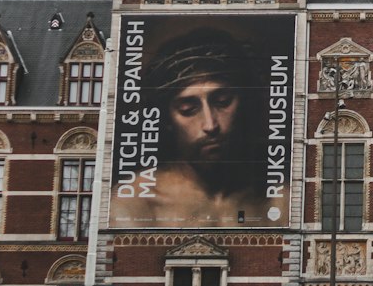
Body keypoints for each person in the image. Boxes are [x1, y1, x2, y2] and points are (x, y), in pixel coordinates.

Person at [113, 24, 289, 227]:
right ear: (167, 119)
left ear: (243, 102)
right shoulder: (133, 204)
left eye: (223, 101)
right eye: (188, 109)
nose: (210, 124)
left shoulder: (279, 199)